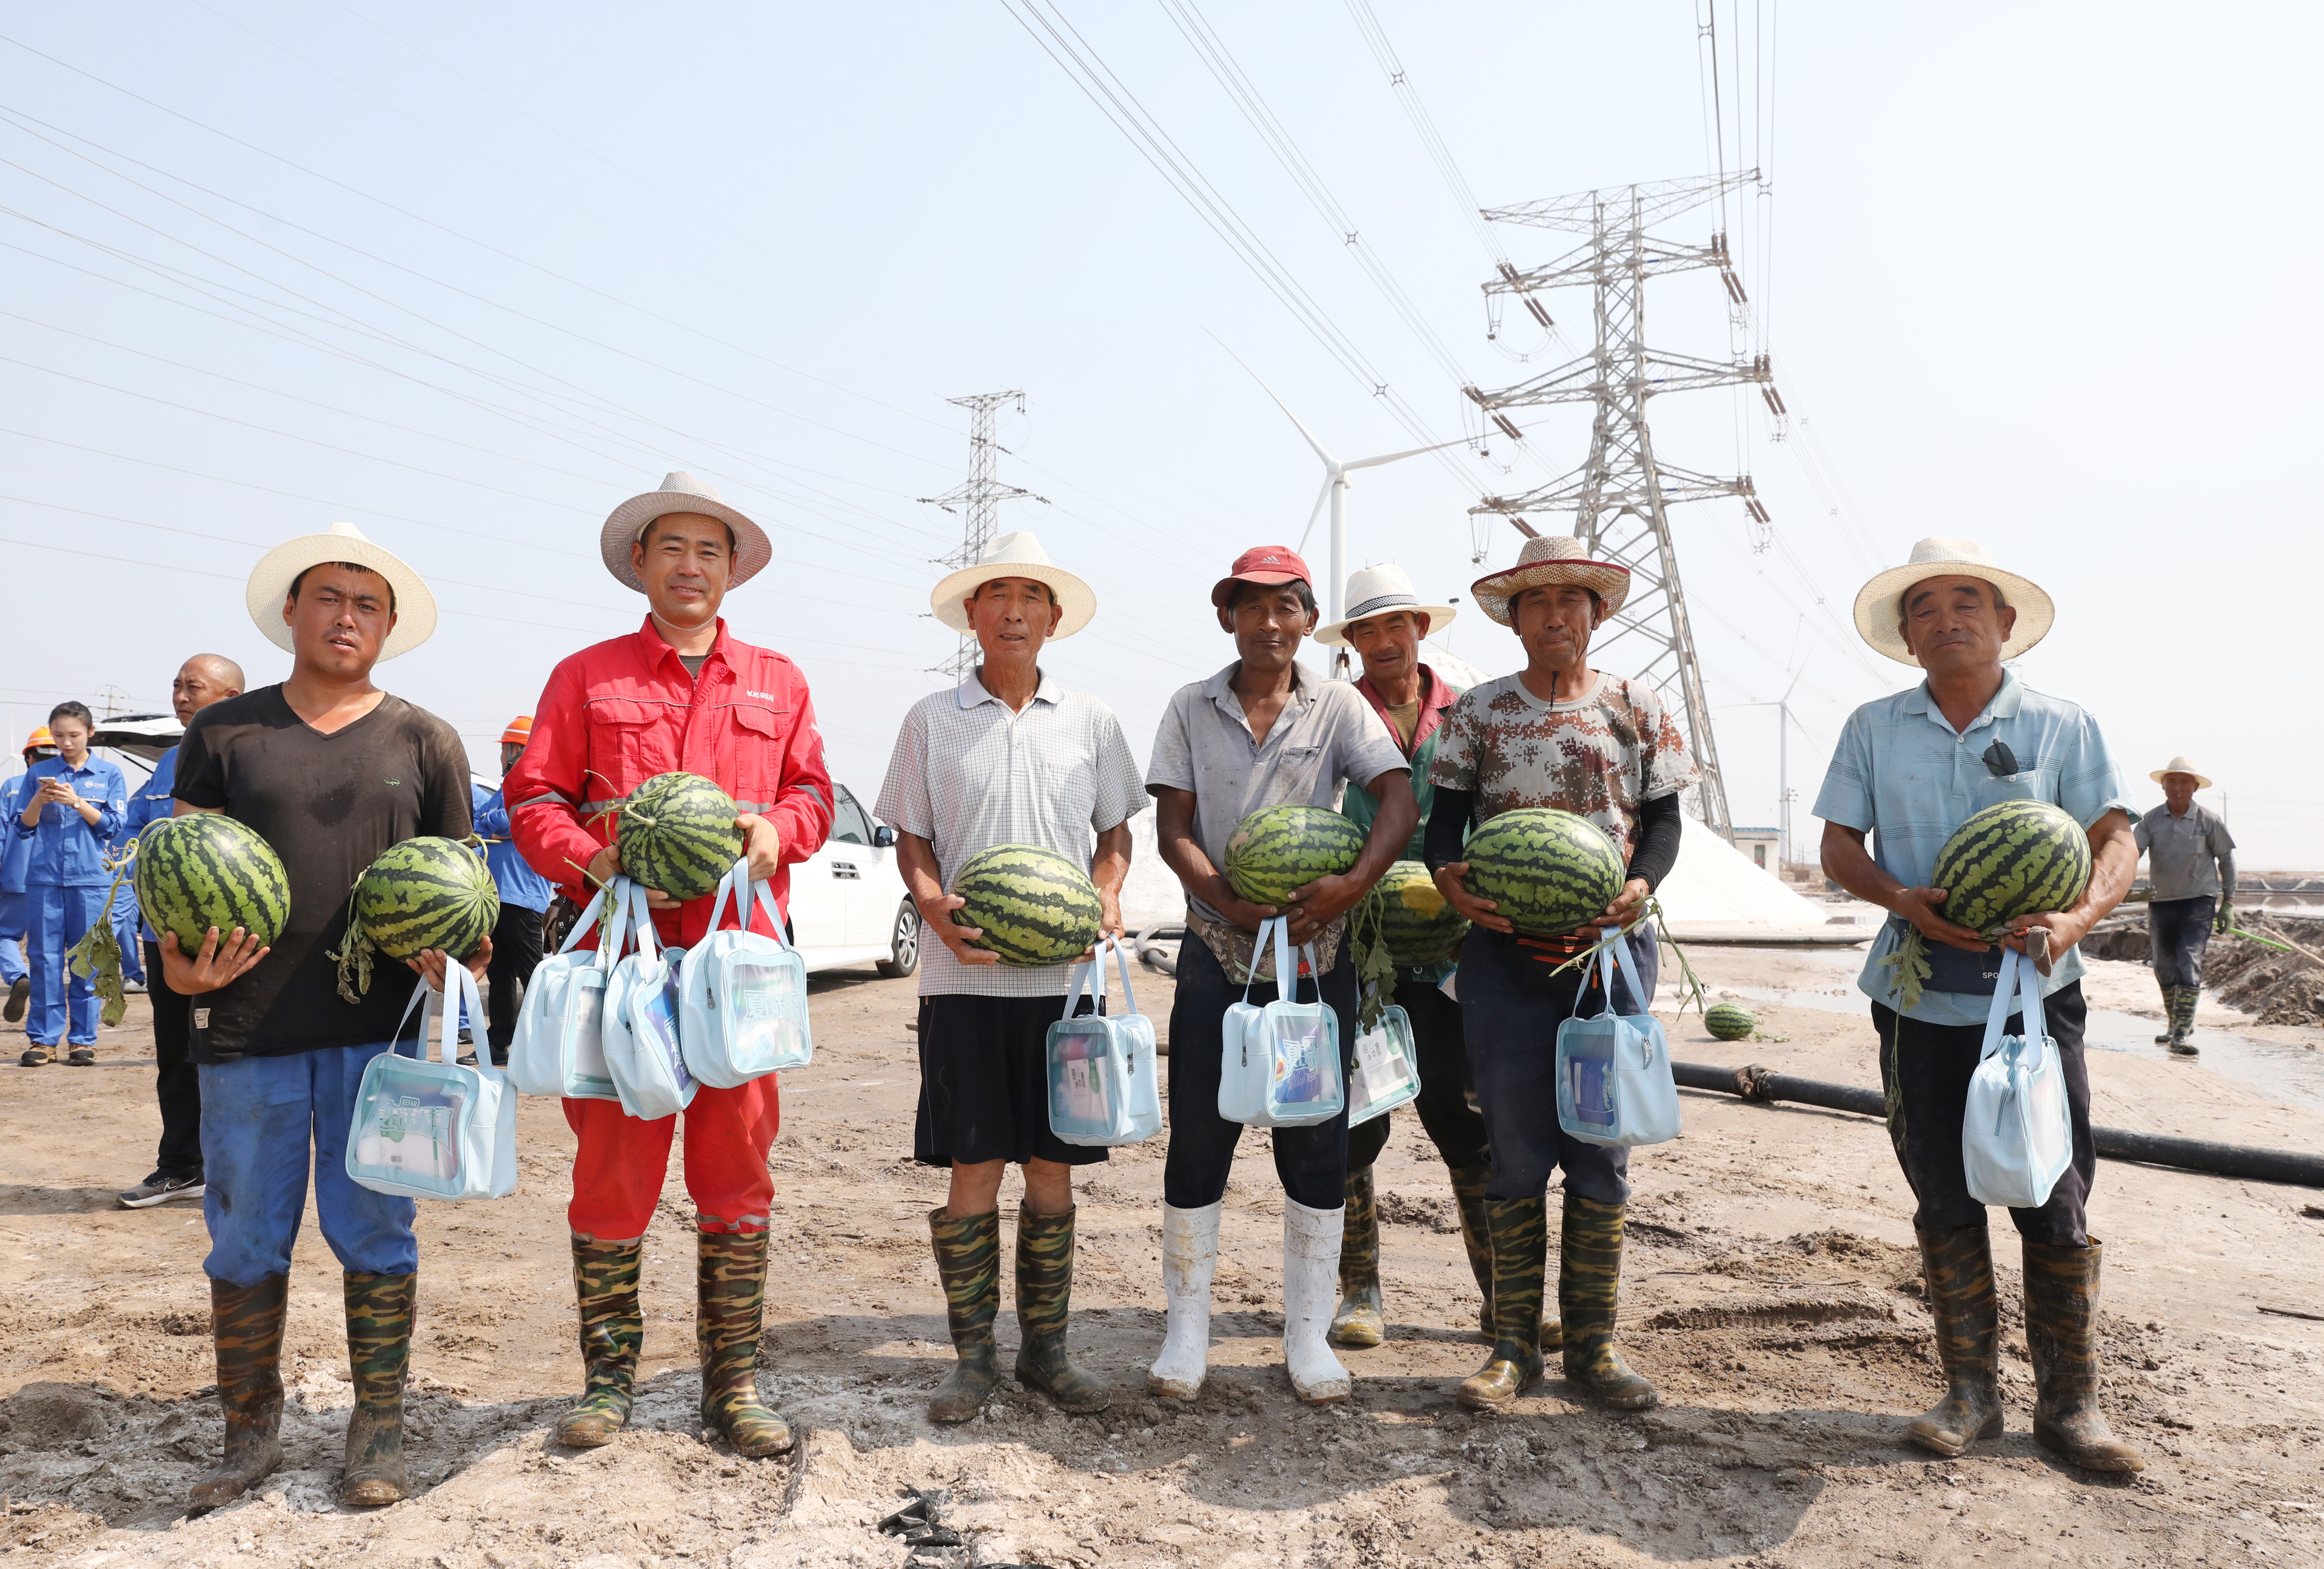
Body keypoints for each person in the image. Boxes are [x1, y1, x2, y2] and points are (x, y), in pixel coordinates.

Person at [507, 471, 832, 1460]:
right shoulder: (586, 677)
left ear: (731, 569)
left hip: (738, 968)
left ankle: (730, 1382)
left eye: (709, 550)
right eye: (671, 548)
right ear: (639, 563)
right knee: (612, 1171)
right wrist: (591, 855)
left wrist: (778, 832)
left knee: (736, 1175)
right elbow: (533, 800)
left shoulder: (777, 679)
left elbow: (813, 793)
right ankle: (607, 1381)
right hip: (622, 967)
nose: (690, 566)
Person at [160, 523, 478, 1511]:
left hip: (381, 1040)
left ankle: (375, 1426)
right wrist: (177, 970)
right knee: (245, 1239)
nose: (348, 616)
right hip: (245, 1028)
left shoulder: (426, 738)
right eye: (329, 598)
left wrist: (453, 958)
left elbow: (464, 893)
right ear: (291, 613)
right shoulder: (225, 734)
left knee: (376, 1229)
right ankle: (249, 1428)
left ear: (389, 626)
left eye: (368, 603)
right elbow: (174, 880)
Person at [1815, 537, 2141, 1472]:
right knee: (1941, 1192)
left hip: (2036, 999)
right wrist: (1899, 899)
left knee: (2053, 1189)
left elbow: (2113, 842)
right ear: (1907, 637)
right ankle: (1969, 1395)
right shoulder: (1874, 727)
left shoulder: (2062, 725)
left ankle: (2071, 1407)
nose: (1947, 618)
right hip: (1916, 994)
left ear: (2005, 625)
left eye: (1969, 601)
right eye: (1925, 607)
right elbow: (1840, 844)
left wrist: (2076, 918)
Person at [875, 531, 1145, 1425]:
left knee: (1053, 1173)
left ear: (1054, 619)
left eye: (1032, 597)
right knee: (972, 1168)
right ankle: (972, 1359)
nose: (1015, 611)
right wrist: (929, 899)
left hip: (1064, 990)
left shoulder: (1094, 719)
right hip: (963, 981)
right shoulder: (929, 718)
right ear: (972, 616)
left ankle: (1047, 1352)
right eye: (998, 597)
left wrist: (1106, 897)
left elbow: (1116, 838)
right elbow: (910, 837)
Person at [1145, 544, 1417, 1406]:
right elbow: (1173, 829)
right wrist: (1225, 898)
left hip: (1314, 959)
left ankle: (1307, 1339)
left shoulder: (1338, 704)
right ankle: (1185, 1334)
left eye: (1286, 607)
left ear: (1306, 621)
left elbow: (1398, 800)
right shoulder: (1190, 707)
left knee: (1316, 1139)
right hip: (1217, 955)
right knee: (1198, 1136)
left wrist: (1349, 885)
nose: (1269, 622)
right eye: (1251, 606)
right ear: (1227, 616)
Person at [1425, 535, 1688, 1416]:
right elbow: (1445, 826)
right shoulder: (1478, 712)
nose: (1554, 616)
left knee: (1599, 1147)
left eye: (1570, 601)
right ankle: (1511, 1347)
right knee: (1513, 1146)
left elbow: (1662, 821)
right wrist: (1449, 882)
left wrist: (1640, 885)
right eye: (1536, 603)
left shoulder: (1637, 706)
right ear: (1515, 618)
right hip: (1504, 957)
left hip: (1606, 958)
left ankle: (1594, 1347)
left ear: (1597, 612)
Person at [1309, 564, 1497, 1349]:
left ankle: (1503, 1295)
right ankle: (1361, 1293)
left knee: (1466, 1118)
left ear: (1421, 630)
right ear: (1350, 643)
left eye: (1397, 626)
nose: (1384, 642)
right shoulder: (1329, 715)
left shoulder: (1469, 713)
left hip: (1455, 947)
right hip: (1365, 942)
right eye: (1367, 630)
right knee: (1355, 1122)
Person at [116, 655, 245, 1209]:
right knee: (175, 1053)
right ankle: (180, 1166)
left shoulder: (248, 756)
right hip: (162, 936)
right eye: (177, 685)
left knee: (230, 1054)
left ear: (232, 694)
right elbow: (128, 837)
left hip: (229, 940)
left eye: (194, 686)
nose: (181, 695)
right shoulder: (168, 761)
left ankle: (240, 1171)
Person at [14, 702, 127, 1067]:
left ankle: (81, 1040)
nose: (65, 742)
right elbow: (22, 826)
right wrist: (38, 800)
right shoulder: (40, 773)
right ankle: (43, 1040)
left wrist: (77, 802)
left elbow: (112, 827)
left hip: (91, 881)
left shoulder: (110, 774)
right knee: (43, 960)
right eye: (58, 735)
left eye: (73, 735)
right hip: (44, 880)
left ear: (90, 733)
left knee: (87, 963)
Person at [2134, 757, 2235, 1057]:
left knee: (2188, 960)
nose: (2177, 788)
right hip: (2162, 902)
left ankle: (2181, 1033)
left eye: (2184, 782)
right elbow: (2132, 853)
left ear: (2194, 787)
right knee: (2164, 965)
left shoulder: (2208, 820)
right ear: (2164, 786)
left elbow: (2227, 861)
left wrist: (2228, 902)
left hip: (2199, 903)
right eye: (2172, 782)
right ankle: (2175, 1023)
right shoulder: (2151, 820)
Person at [470, 715, 553, 1068]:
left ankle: (548, 1043)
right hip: (497, 896)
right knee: (499, 975)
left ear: (518, 749)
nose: (502, 755)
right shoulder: (507, 787)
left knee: (532, 973)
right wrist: (492, 822)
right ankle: (499, 1043)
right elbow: (476, 824)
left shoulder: (533, 783)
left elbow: (504, 822)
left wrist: (492, 822)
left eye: (506, 748)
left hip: (522, 895)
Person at [0, 729, 50, 1025]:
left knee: (6, 934)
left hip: (16, 875)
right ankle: (45, 1008)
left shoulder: (11, 787)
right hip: (56, 878)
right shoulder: (70, 787)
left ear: (28, 757)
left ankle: (19, 976)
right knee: (48, 945)